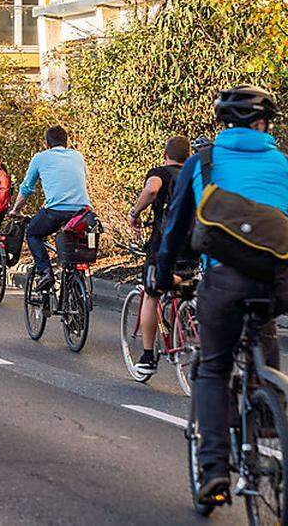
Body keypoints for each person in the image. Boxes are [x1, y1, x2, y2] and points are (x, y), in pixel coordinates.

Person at [151, 85, 288, 507]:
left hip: (224, 280)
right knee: (262, 327)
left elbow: (175, 227)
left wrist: (162, 274)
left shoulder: (203, 162)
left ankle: (213, 471)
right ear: (266, 124)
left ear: (221, 124)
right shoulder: (284, 164)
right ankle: (268, 415)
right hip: (280, 281)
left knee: (212, 368)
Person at [127, 135, 193, 378]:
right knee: (185, 279)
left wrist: (135, 213)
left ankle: (146, 357)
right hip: (194, 245)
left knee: (151, 293)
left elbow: (152, 190)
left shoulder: (160, 172)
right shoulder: (196, 174)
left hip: (165, 244)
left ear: (166, 155)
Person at [8, 125, 90, 291]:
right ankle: (77, 282)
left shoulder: (40, 158)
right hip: (83, 212)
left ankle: (46, 272)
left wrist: (15, 210)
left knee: (32, 233)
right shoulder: (78, 156)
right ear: (66, 142)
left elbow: (26, 189)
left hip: (55, 211)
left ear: (47, 143)